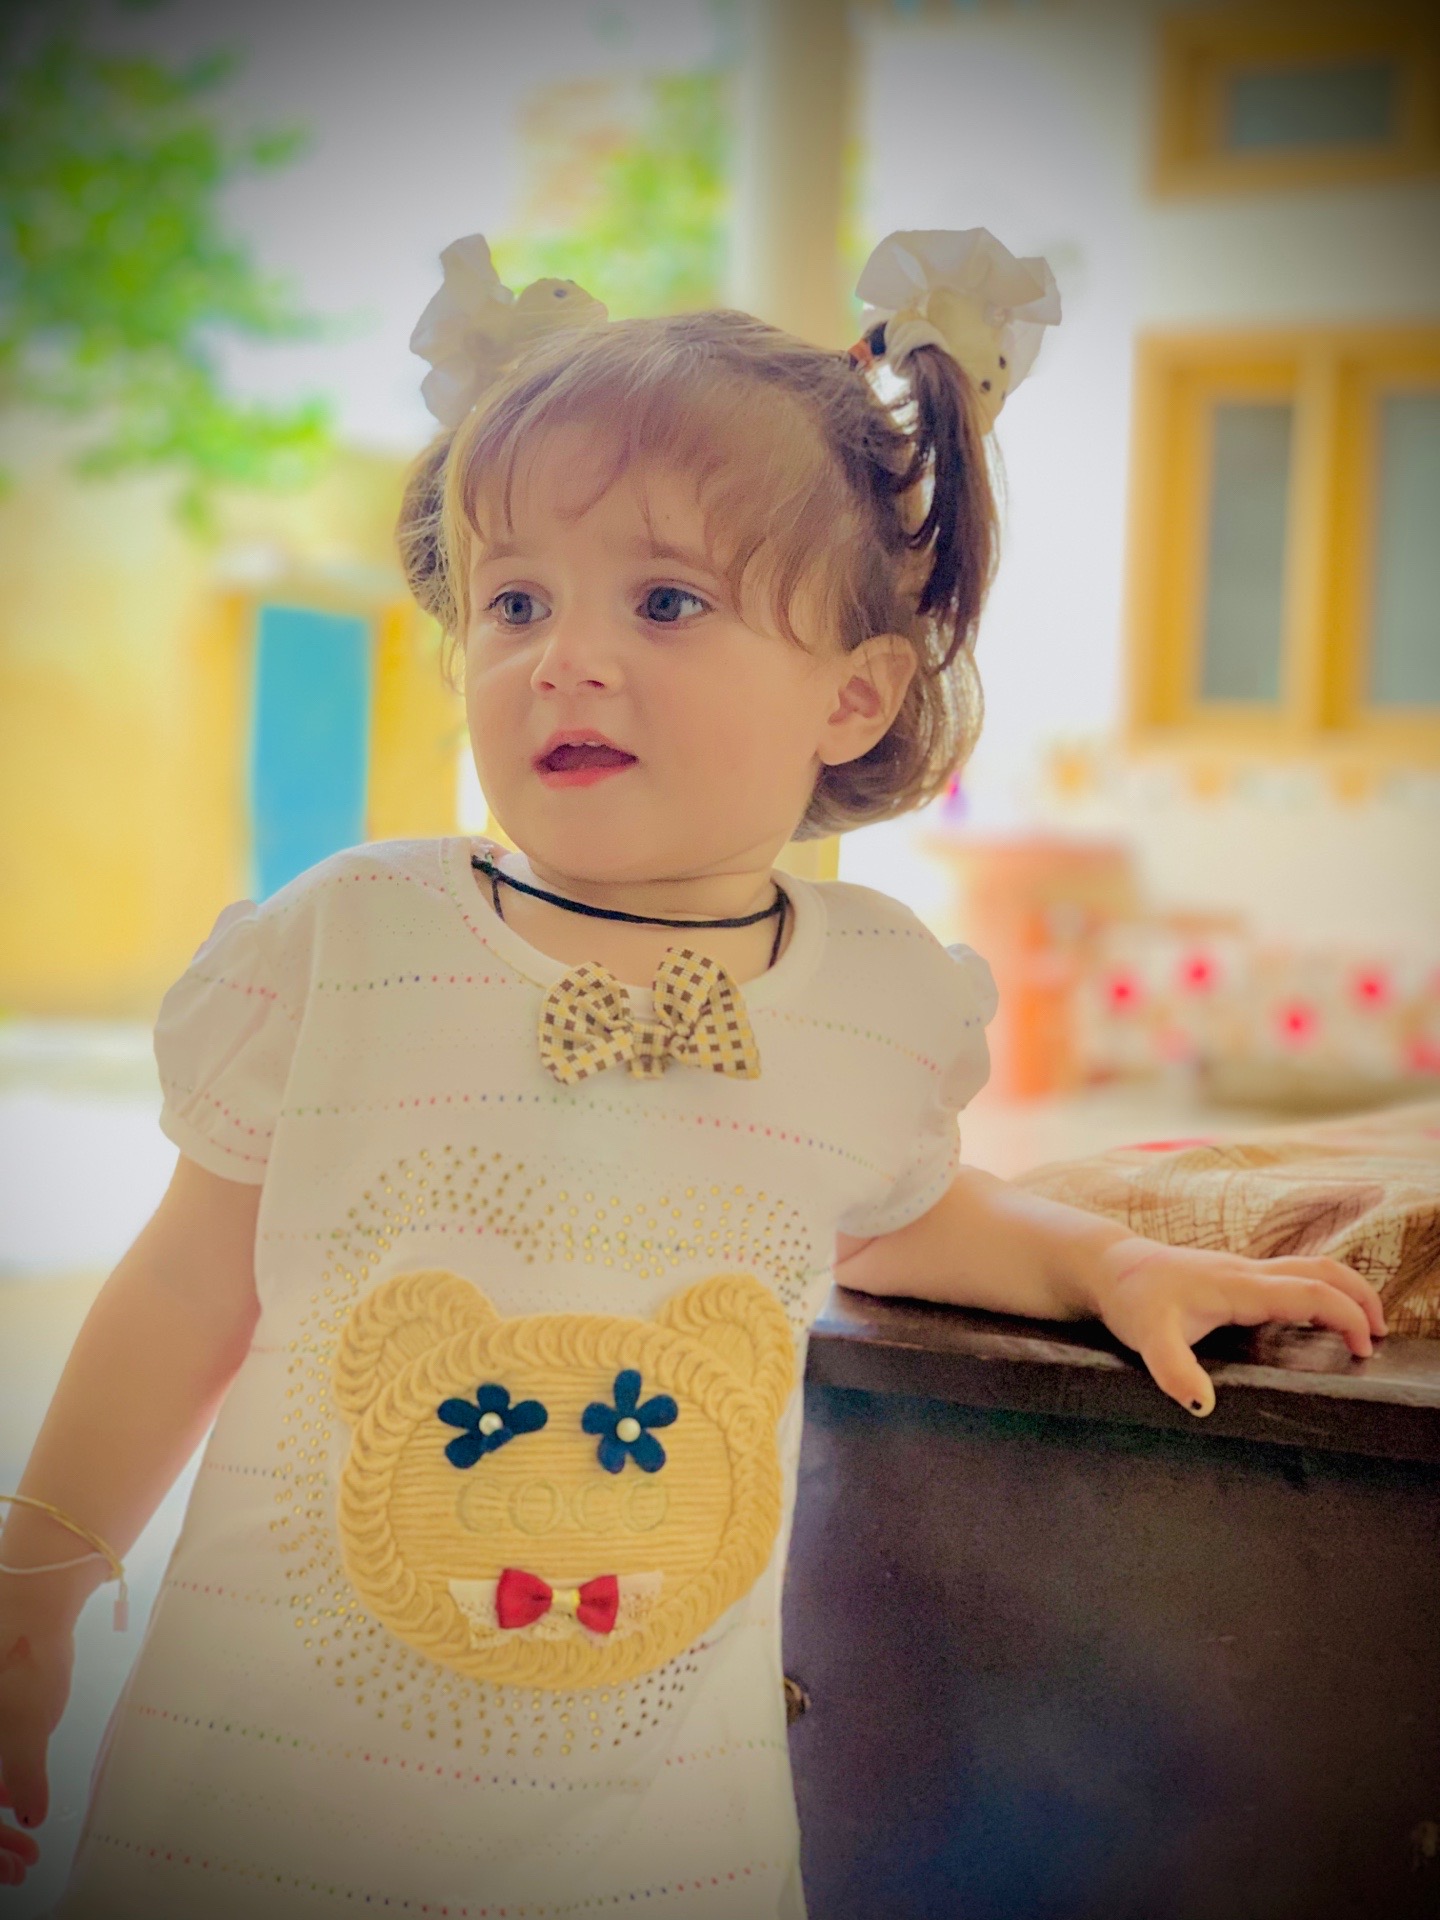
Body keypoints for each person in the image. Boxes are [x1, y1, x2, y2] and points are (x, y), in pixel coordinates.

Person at [0, 230, 1384, 1918]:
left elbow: (900, 1212)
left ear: (853, 696)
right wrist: (35, 1584)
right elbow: (185, 1282)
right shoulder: (355, 939)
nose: (564, 658)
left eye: (665, 601)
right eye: (516, 602)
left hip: (650, 1846)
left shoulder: (871, 999)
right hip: (263, 1821)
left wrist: (1111, 1262)